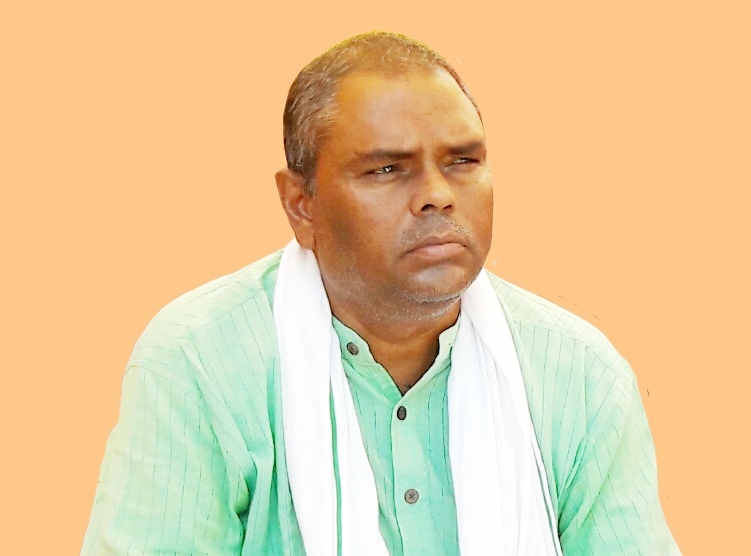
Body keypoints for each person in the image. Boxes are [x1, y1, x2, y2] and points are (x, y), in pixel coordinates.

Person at [82, 31, 680, 555]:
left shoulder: (579, 377)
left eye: (463, 161)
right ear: (301, 204)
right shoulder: (200, 363)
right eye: (387, 169)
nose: (438, 195)